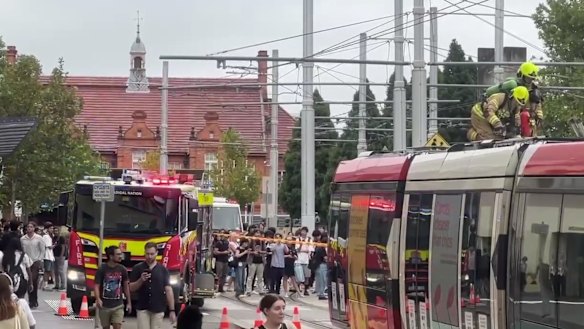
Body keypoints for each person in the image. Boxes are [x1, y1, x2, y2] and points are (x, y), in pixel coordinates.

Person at [129, 242, 176, 329]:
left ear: (157, 253)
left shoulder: (163, 270)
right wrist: (141, 280)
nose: (149, 256)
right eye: (147, 254)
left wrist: (172, 310)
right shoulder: (137, 268)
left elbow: (168, 290)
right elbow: (131, 288)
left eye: (152, 254)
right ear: (144, 253)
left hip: (158, 307)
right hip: (142, 307)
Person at [94, 246, 132, 329]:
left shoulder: (123, 269)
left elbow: (126, 286)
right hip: (104, 306)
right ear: (111, 256)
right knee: (106, 327)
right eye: (118, 254)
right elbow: (96, 286)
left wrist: (129, 302)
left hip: (118, 305)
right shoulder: (102, 269)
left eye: (121, 254)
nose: (120, 256)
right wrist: (98, 299)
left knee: (117, 325)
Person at [20, 222, 45, 309]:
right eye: (28, 227)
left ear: (34, 228)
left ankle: (33, 300)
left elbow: (42, 250)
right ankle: (31, 300)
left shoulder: (39, 238)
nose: (29, 228)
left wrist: (39, 259)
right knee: (27, 280)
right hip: (26, 261)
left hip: (35, 261)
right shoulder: (23, 239)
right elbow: (21, 250)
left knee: (33, 279)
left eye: (31, 227)